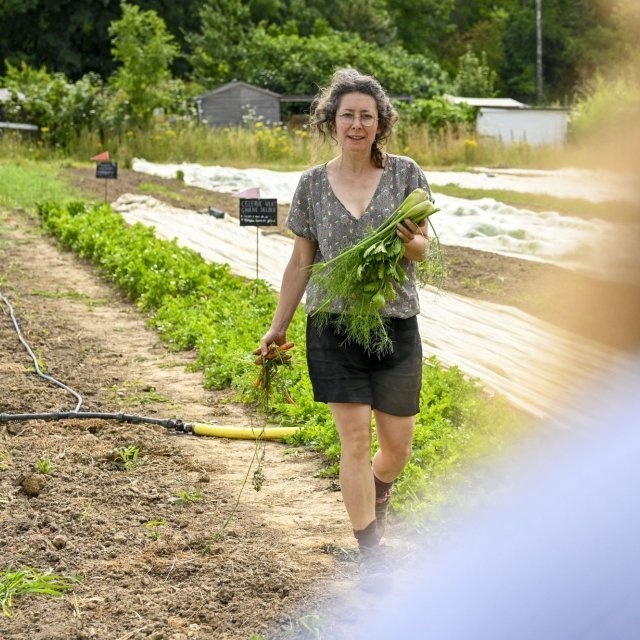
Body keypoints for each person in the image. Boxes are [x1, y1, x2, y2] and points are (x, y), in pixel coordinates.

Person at [259, 68, 433, 590]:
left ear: (381, 124)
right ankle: (371, 550)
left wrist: (409, 243)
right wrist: (277, 325)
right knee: (354, 439)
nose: (357, 124)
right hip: (333, 326)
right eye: (347, 115)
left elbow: (423, 249)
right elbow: (300, 263)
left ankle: (379, 488)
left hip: (395, 326)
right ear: (331, 122)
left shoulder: (406, 175)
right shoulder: (312, 184)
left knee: (396, 447)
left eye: (367, 116)